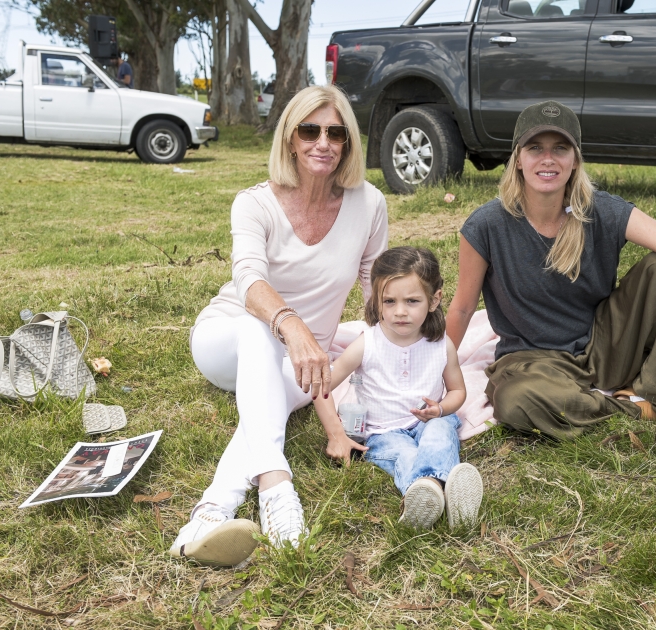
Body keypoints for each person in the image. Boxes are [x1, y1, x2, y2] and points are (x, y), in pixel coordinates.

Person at [446, 101, 656, 472]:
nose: (548, 159)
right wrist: (436, 373)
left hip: (603, 345)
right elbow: (463, 309)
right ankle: (645, 407)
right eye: (535, 148)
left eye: (560, 148)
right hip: (533, 362)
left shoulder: (601, 210)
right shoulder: (486, 225)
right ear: (517, 159)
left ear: (575, 159)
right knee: (513, 400)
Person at [169, 85, 388, 567]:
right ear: (290, 138)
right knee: (257, 332)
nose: (323, 142)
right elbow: (248, 280)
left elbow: (376, 288)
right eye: (309, 130)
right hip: (229, 337)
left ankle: (209, 512)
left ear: (349, 142)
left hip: (303, 365)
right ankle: (276, 486)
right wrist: (292, 326)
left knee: (262, 412)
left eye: (336, 132)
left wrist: (399, 351)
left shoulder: (369, 204)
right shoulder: (254, 203)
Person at [313, 247, 483, 530]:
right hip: (382, 432)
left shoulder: (441, 346)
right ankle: (437, 489)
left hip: (427, 422)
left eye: (412, 300)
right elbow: (321, 387)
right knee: (403, 455)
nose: (400, 311)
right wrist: (336, 434)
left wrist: (440, 409)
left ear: (434, 299)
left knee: (440, 434)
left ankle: (430, 491)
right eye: (389, 301)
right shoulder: (368, 343)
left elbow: (457, 392)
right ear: (376, 301)